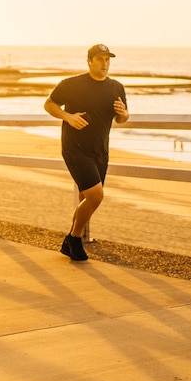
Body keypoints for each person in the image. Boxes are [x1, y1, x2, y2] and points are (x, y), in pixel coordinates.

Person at [44, 44, 130, 261]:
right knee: (96, 195)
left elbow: (121, 118)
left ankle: (69, 243)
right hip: (75, 149)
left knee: (86, 197)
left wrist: (124, 114)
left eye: (107, 59)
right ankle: (75, 238)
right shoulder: (72, 84)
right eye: (100, 59)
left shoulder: (117, 87)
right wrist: (69, 117)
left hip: (100, 151)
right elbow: (49, 104)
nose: (104, 63)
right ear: (89, 61)